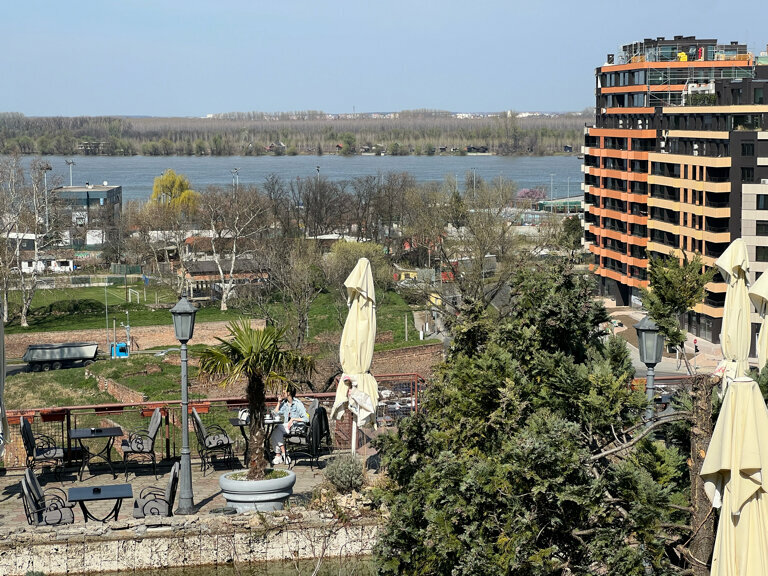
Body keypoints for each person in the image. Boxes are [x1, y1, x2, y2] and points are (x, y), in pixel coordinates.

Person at [270, 384, 309, 465]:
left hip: (296, 427)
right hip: (287, 427)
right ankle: (282, 454)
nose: (282, 392)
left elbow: (306, 419)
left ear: (289, 393)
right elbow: (275, 413)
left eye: (284, 390)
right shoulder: (285, 403)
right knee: (275, 431)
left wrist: (293, 419)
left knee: (277, 428)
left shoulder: (298, 404)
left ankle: (280, 455)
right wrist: (279, 402)